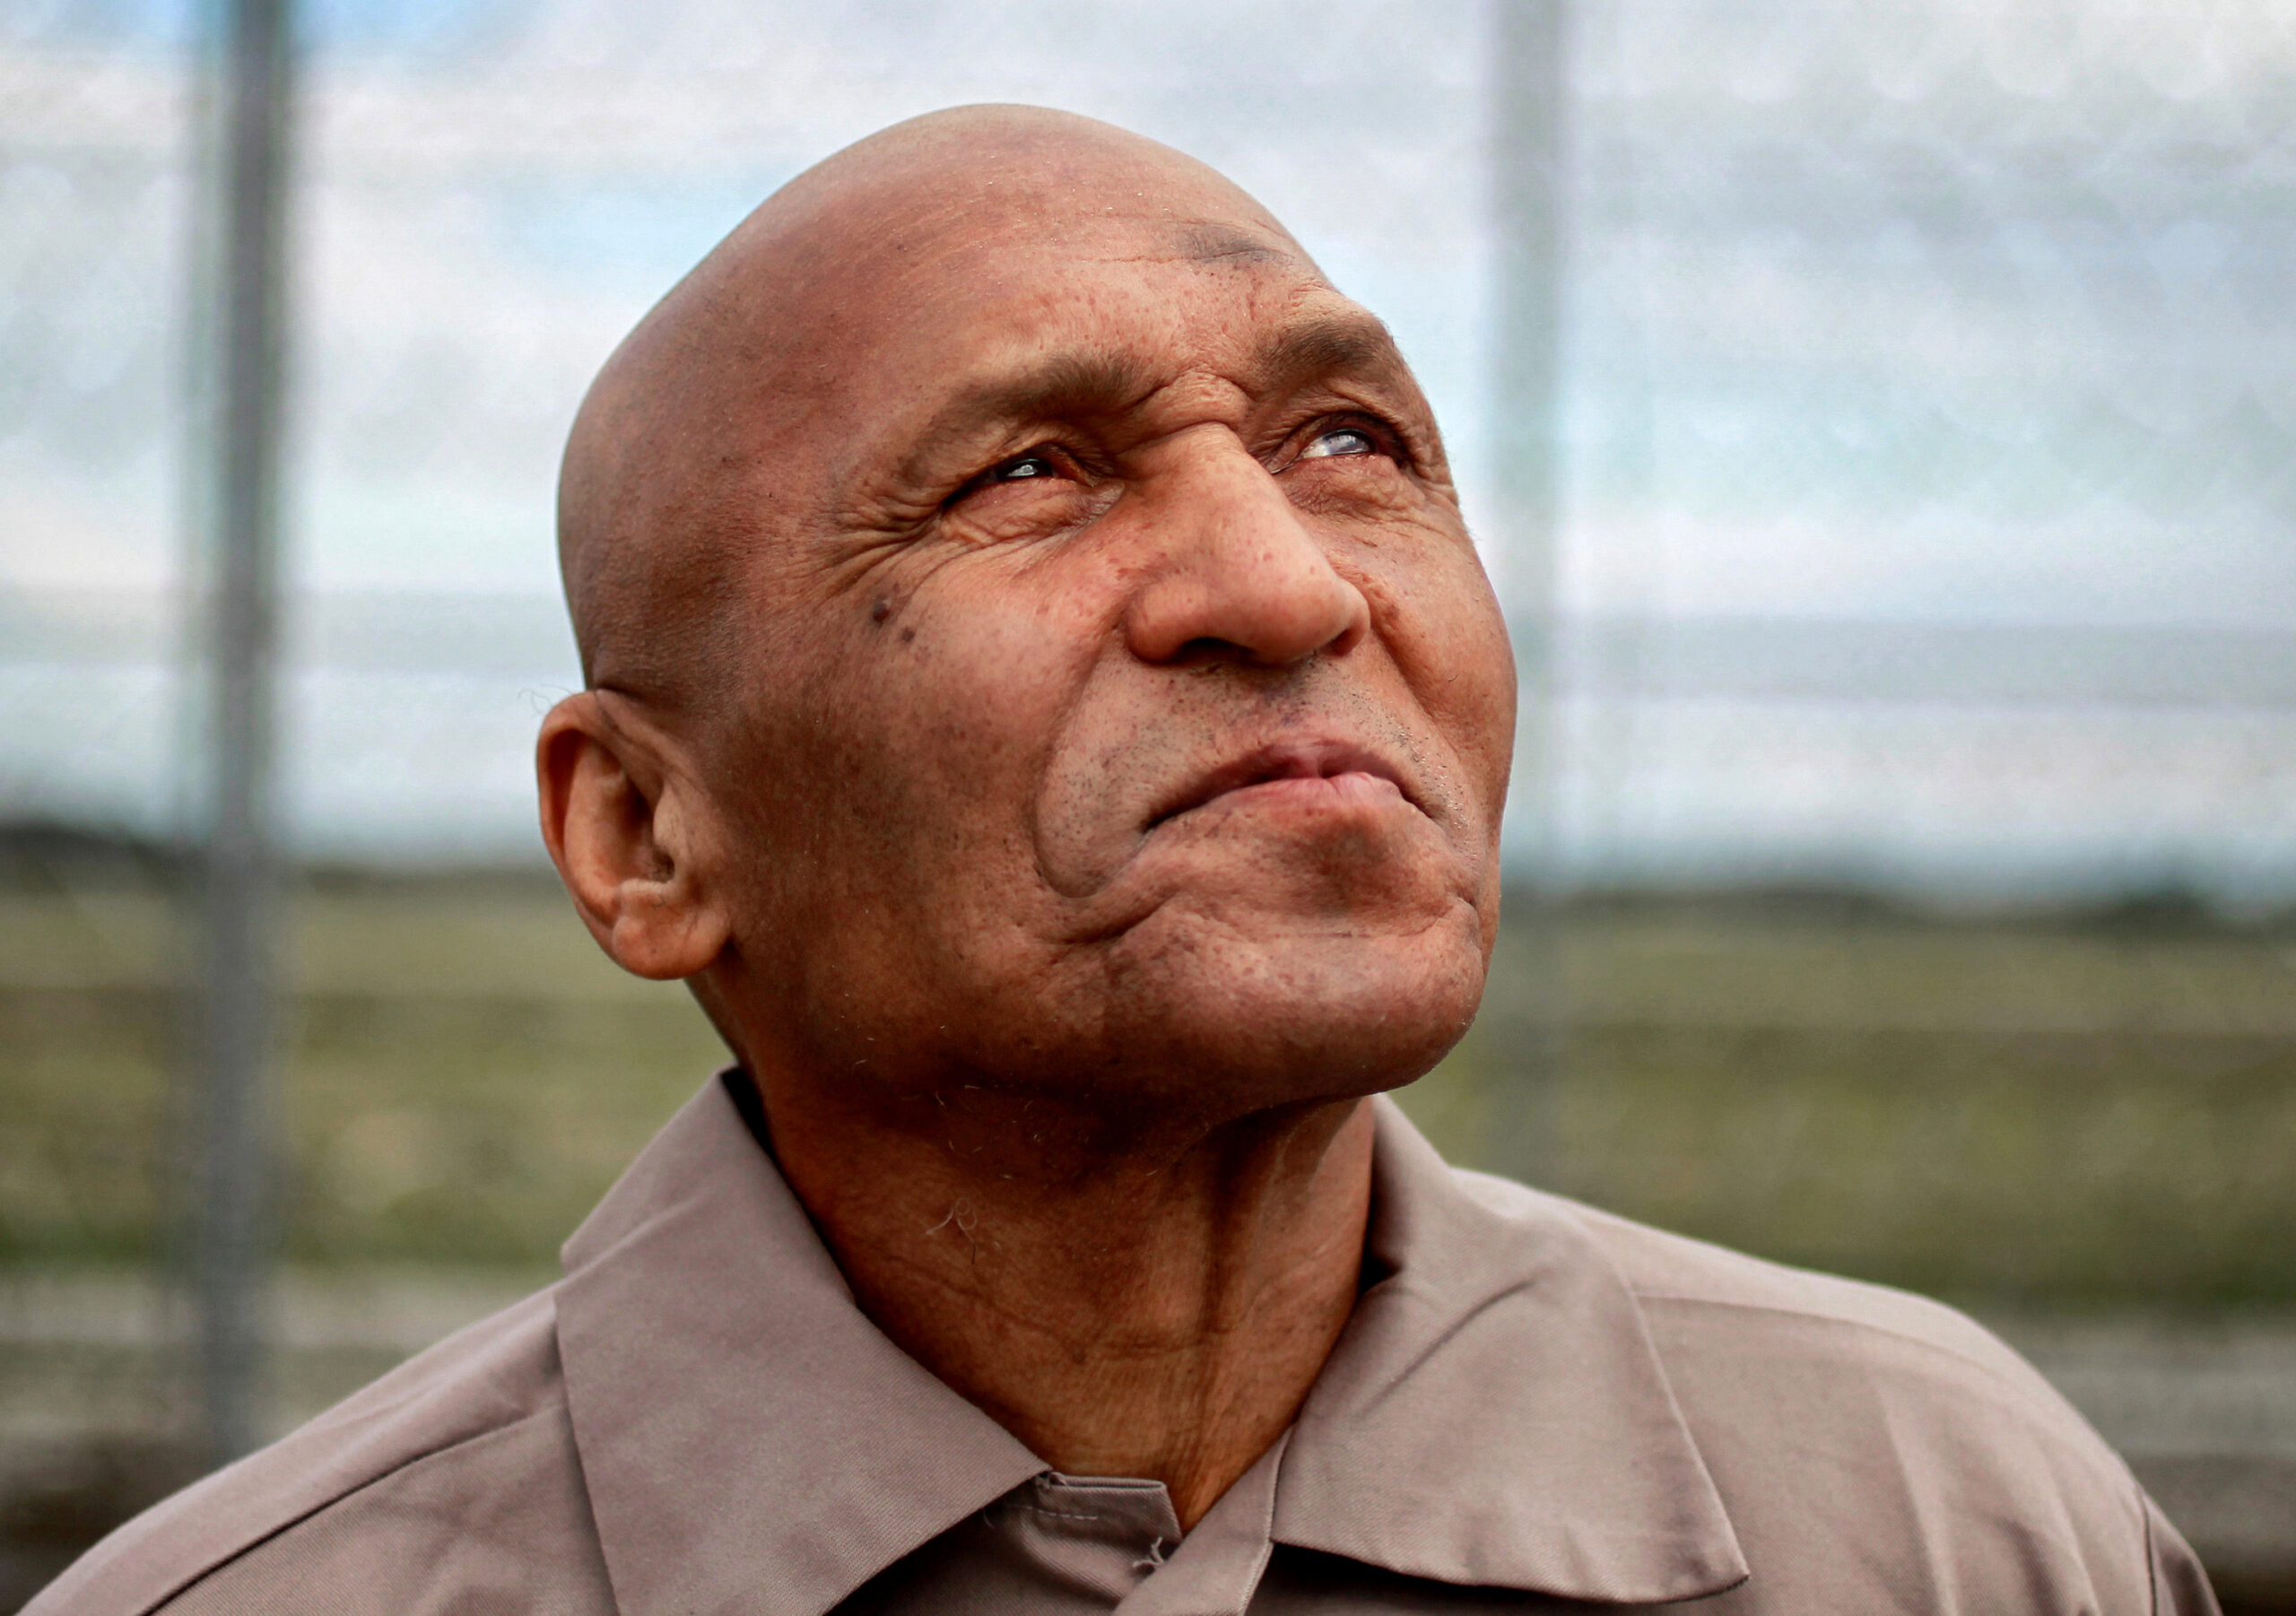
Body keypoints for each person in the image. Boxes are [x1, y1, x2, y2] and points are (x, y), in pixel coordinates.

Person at [32, 105, 2216, 1616]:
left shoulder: (1946, 1519)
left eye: (1348, 444)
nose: (1281, 585)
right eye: (1029, 475)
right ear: (644, 830)